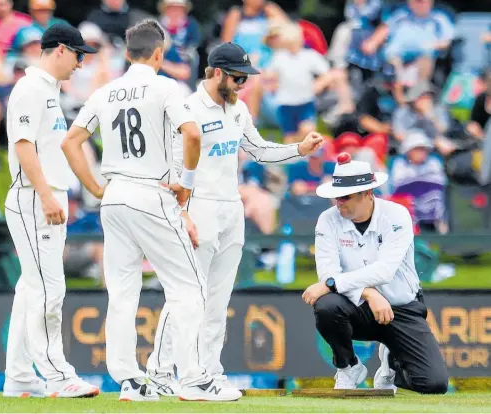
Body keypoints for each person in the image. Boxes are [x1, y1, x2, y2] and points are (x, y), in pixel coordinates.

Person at [61, 20, 241, 402]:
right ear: (159, 53)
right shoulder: (165, 87)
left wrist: (95, 188)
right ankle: (193, 380)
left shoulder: (105, 92)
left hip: (114, 198)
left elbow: (71, 142)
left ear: (127, 54)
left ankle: (130, 382)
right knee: (189, 289)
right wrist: (187, 183)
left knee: (122, 294)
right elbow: (191, 134)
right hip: (151, 193)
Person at [145, 42, 324, 396]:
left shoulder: (238, 109)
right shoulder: (187, 109)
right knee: (186, 296)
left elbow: (258, 150)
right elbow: (173, 169)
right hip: (197, 209)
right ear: (217, 72)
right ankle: (160, 373)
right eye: (238, 78)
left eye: (246, 78)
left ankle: (208, 373)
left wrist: (299, 150)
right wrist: (181, 214)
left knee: (217, 300)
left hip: (230, 208)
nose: (244, 85)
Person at [2, 23, 100, 398]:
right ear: (60, 49)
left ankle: (19, 378)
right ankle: (59, 376)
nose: (79, 64)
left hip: (43, 197)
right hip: (33, 197)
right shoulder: (30, 88)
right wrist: (45, 195)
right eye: (77, 55)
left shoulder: (47, 91)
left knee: (30, 289)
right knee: (49, 288)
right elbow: (23, 146)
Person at [302, 152, 449, 394]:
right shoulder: (327, 220)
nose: (339, 203)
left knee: (433, 384)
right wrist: (368, 293)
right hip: (356, 306)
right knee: (326, 305)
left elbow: (385, 270)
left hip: (401, 307)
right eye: (336, 197)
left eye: (345, 197)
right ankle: (348, 366)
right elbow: (328, 270)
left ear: (367, 194)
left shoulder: (397, 215)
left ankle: (392, 359)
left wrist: (331, 282)